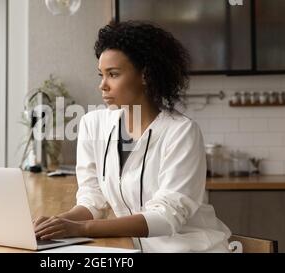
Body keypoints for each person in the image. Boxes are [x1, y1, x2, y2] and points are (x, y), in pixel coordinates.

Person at [34, 21, 231, 252]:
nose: (102, 85)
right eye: (101, 75)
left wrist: (83, 229)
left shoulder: (181, 132)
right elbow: (92, 200)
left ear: (145, 75)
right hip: (134, 249)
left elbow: (167, 217)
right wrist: (56, 224)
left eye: (113, 74)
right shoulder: (93, 124)